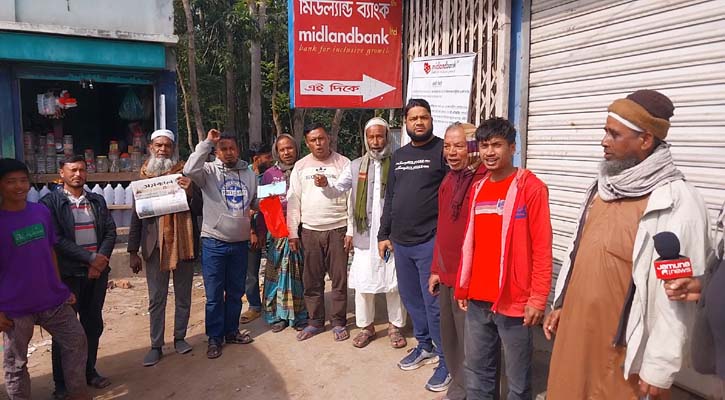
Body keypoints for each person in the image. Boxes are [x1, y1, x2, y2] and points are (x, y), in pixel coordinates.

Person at [544, 89, 711, 400]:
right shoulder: (600, 188)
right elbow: (576, 251)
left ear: (645, 140)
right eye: (605, 131)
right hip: (574, 336)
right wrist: (561, 303)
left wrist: (661, 366)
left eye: (614, 134)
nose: (603, 141)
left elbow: (677, 297)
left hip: (622, 355)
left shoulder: (677, 202)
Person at [454, 118, 552, 400]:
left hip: (515, 301)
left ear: (512, 147)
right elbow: (469, 242)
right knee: (477, 373)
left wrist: (537, 298)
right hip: (477, 299)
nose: (490, 153)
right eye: (484, 146)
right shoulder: (479, 188)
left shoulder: (531, 188)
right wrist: (464, 285)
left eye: (497, 145)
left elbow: (542, 248)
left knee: (518, 382)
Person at [0, 159, 91, 400]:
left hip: (51, 299)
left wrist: (60, 287)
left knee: (76, 340)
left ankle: (78, 394)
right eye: (11, 182)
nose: (19, 186)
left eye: (23, 180)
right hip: (14, 308)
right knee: (16, 363)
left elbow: (50, 251)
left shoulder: (40, 212)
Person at [378, 98, 451, 392]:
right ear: (405, 123)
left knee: (434, 305)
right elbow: (391, 197)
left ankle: (447, 360)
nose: (419, 122)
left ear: (431, 120)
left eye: (424, 117)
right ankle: (424, 346)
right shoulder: (399, 155)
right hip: (401, 242)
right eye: (413, 118)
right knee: (412, 300)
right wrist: (384, 234)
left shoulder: (443, 150)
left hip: (429, 241)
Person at [317, 117, 407, 349]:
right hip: (365, 236)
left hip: (392, 235)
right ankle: (365, 326)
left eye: (380, 136)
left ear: (387, 136)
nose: (376, 141)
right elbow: (337, 190)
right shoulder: (356, 165)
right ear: (365, 138)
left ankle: (395, 325)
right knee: (364, 284)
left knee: (394, 283)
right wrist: (325, 184)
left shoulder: (399, 162)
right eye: (371, 136)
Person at [40, 155, 117, 396]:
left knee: (92, 324)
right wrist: (90, 259)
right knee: (65, 330)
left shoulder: (96, 200)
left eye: (82, 170)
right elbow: (57, 239)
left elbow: (110, 231)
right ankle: (61, 383)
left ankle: (88, 371)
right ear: (61, 173)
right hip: (68, 275)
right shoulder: (49, 203)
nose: (78, 174)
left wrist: (99, 261)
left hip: (96, 274)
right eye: (72, 170)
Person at [184, 129, 257, 359]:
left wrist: (258, 212)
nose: (228, 152)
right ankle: (214, 338)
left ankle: (231, 331)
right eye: (223, 148)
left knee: (235, 292)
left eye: (232, 148)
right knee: (214, 294)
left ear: (238, 149)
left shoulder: (249, 173)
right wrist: (206, 142)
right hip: (214, 241)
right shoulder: (208, 172)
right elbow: (189, 169)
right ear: (216, 151)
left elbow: (254, 201)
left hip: (240, 242)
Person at [428, 122, 487, 400]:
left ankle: (475, 392)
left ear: (473, 147)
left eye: (459, 146)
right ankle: (459, 388)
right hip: (448, 273)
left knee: (474, 343)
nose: (451, 152)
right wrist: (436, 269)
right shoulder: (449, 179)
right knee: (451, 337)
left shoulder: (484, 180)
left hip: (472, 278)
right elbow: (442, 228)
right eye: (447, 146)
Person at [127, 129, 196, 367]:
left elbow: (198, 208)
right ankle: (156, 345)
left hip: (183, 242)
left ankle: (180, 338)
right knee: (156, 298)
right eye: (159, 145)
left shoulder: (185, 173)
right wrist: (132, 251)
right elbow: (136, 217)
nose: (163, 149)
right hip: (153, 246)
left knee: (183, 295)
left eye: (167, 146)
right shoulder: (143, 178)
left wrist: (190, 191)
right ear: (150, 147)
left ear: (173, 149)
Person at [287, 123, 351, 342]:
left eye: (322, 139)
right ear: (307, 143)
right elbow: (293, 200)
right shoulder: (300, 166)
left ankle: (339, 321)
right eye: (313, 140)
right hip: (310, 231)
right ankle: (315, 321)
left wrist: (350, 231)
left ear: (328, 139)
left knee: (339, 279)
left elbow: (351, 200)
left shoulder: (344, 164)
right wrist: (293, 232)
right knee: (312, 280)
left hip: (337, 228)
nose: (318, 143)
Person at [261, 134, 308, 332]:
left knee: (299, 274)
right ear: (277, 152)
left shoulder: (305, 169)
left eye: (290, 148)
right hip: (278, 234)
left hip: (302, 229)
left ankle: (299, 315)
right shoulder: (269, 175)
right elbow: (264, 206)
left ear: (296, 149)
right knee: (276, 273)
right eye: (282, 149)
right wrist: (263, 233)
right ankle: (277, 316)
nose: (287, 152)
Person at [241, 142, 274, 325]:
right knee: (251, 272)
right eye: (267, 157)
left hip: (272, 230)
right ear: (256, 159)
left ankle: (272, 303)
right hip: (251, 231)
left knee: (274, 268)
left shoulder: (272, 175)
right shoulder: (244, 176)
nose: (271, 160)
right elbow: (245, 208)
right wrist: (252, 231)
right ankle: (254, 306)